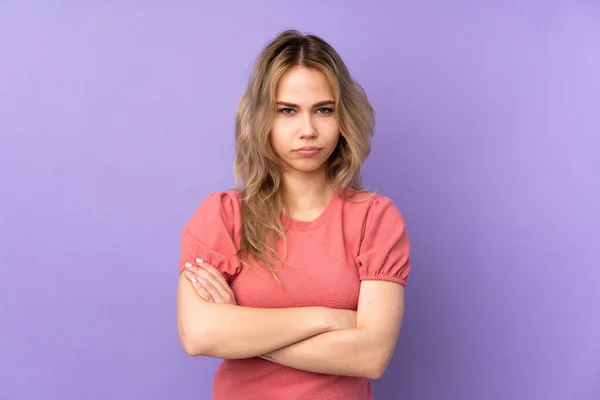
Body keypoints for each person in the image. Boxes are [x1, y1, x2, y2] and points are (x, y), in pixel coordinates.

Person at [176, 29, 411, 400]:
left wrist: (243, 333)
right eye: (287, 110)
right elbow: (198, 335)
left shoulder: (375, 219)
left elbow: (371, 356)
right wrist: (327, 319)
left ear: (343, 116)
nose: (308, 130)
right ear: (262, 119)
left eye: (323, 109)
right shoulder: (223, 215)